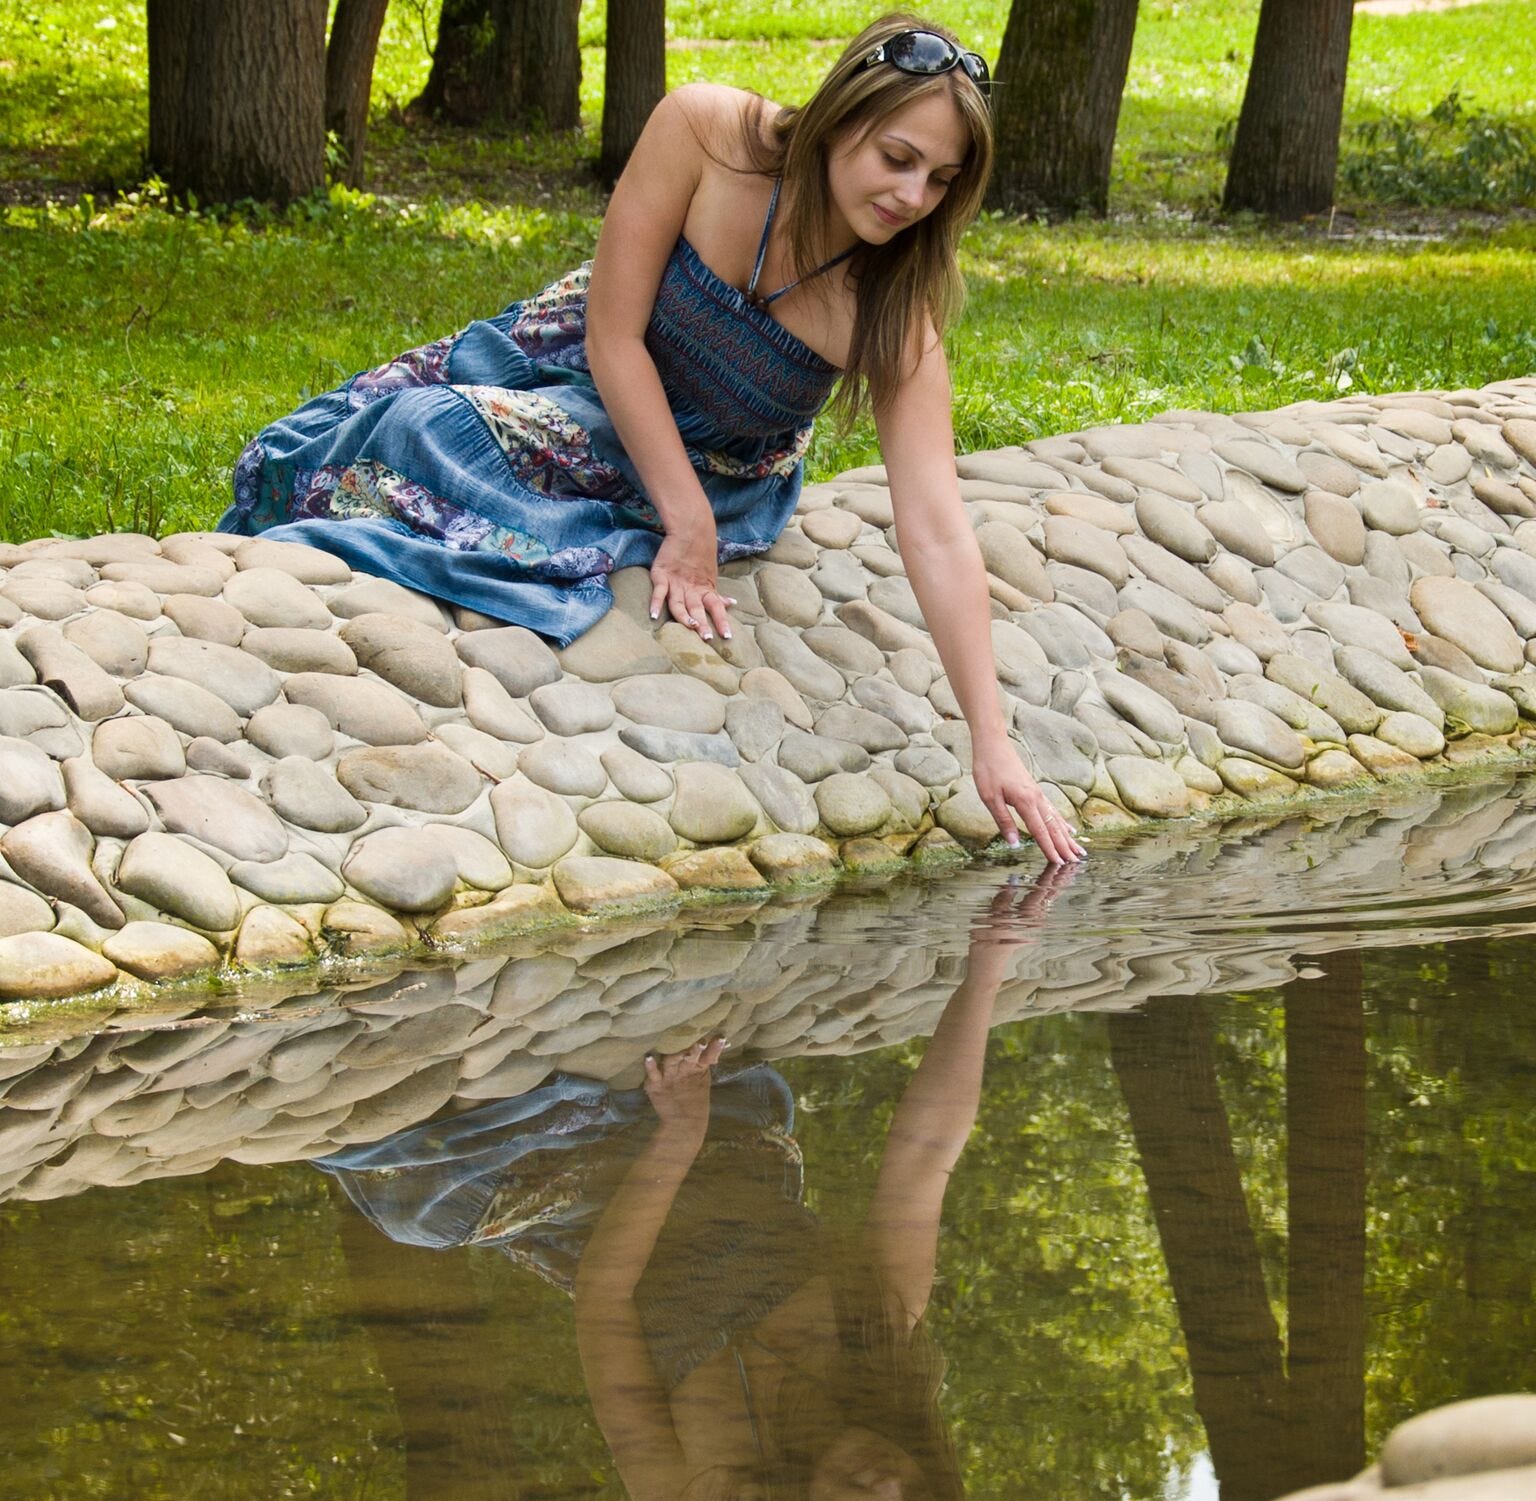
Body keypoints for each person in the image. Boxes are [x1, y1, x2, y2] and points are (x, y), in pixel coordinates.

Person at [218, 14, 1084, 866]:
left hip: (710, 460)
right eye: (898, 158)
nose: (912, 197)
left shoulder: (895, 314)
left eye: (941, 180)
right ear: (838, 117)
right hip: (577, 357)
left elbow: (936, 529)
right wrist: (686, 526)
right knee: (334, 428)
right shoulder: (707, 133)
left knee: (423, 429)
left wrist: (991, 740)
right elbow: (614, 334)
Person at [316, 867, 1075, 1501]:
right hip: (727, 1141)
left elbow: (604, 1301)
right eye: (917, 1497)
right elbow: (926, 1152)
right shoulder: (883, 1338)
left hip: (578, 1208)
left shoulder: (687, 1489)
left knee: (415, 1207)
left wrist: (676, 1135)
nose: (888, 1486)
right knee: (695, 1005)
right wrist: (987, 968)